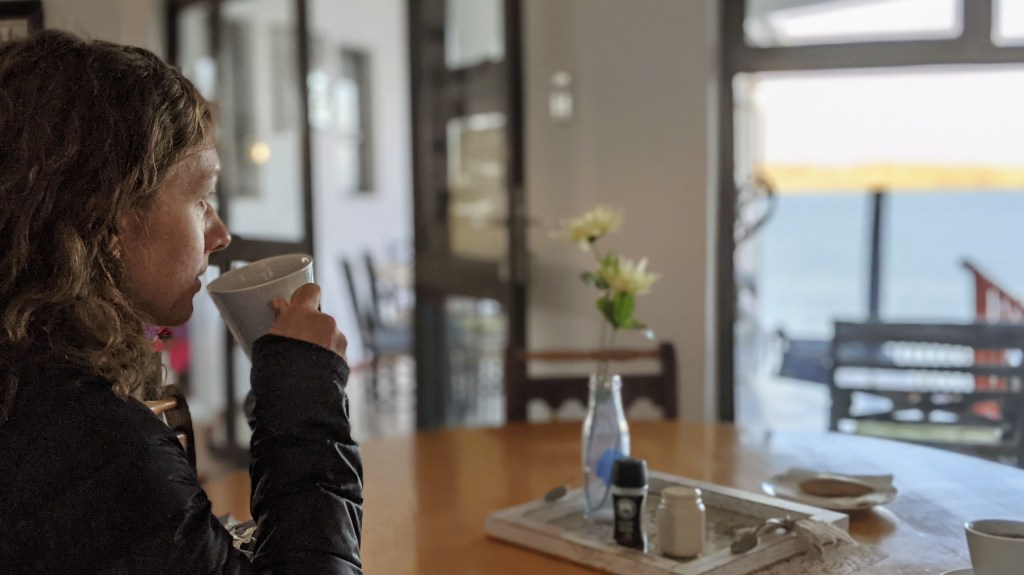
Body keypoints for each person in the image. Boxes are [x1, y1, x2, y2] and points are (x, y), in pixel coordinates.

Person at [0, 30, 363, 573]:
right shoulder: (92, 442)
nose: (219, 234)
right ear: (110, 218)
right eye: (201, 198)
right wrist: (306, 405)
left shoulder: (32, 382)